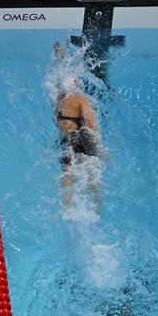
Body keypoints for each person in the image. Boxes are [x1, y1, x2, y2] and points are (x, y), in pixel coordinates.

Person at [53, 43, 102, 208]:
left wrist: (59, 55)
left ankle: (66, 207)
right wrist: (98, 145)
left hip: (66, 138)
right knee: (91, 174)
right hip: (82, 137)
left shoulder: (59, 99)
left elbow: (62, 72)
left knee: (67, 173)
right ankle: (97, 204)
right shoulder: (80, 99)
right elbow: (91, 123)